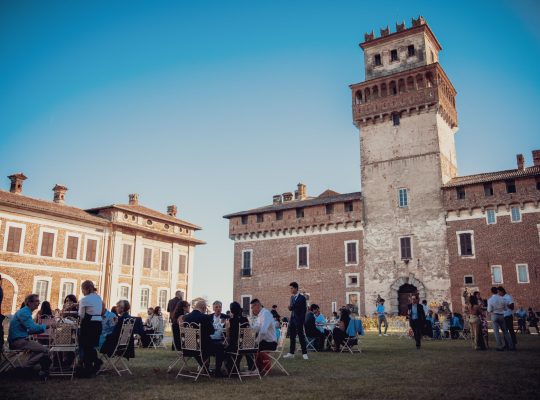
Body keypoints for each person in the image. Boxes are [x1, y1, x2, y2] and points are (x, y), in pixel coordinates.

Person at [8, 294, 52, 378]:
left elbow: (29, 328)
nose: (38, 303)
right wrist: (46, 326)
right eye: (36, 301)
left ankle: (28, 368)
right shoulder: (25, 312)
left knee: (39, 349)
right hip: (18, 341)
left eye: (39, 301)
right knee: (44, 350)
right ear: (29, 303)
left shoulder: (25, 311)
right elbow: (32, 329)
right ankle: (25, 368)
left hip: (19, 339)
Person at [184, 300, 225, 377]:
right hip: (202, 347)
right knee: (220, 347)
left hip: (188, 347)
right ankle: (217, 372)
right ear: (204, 308)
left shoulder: (186, 317)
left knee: (212, 345)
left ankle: (206, 368)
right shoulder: (204, 317)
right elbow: (212, 331)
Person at [78, 280, 103, 376]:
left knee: (85, 346)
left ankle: (91, 365)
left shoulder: (84, 299)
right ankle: (92, 365)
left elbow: (81, 315)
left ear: (86, 289)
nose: (82, 292)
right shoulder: (98, 297)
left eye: (82, 289)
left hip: (88, 324)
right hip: (98, 324)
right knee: (90, 346)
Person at [283, 282, 308, 360]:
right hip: (292, 319)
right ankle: (291, 353)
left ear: (296, 288)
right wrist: (289, 307)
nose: (291, 290)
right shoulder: (292, 297)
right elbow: (292, 308)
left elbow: (304, 310)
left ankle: (304, 353)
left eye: (292, 288)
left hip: (299, 320)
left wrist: (302, 321)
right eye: (290, 288)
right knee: (292, 337)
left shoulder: (302, 298)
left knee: (301, 336)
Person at [224, 301, 251, 372]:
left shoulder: (231, 321)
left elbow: (228, 337)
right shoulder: (245, 320)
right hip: (246, 345)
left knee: (222, 349)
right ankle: (235, 367)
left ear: (231, 311)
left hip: (235, 346)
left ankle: (230, 368)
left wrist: (227, 329)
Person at [487, 286, 514, 351]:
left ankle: (500, 346)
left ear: (491, 292)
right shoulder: (502, 298)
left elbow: (489, 310)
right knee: (505, 331)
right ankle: (511, 346)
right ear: (497, 291)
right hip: (502, 315)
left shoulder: (490, 299)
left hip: (494, 315)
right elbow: (505, 308)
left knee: (496, 332)